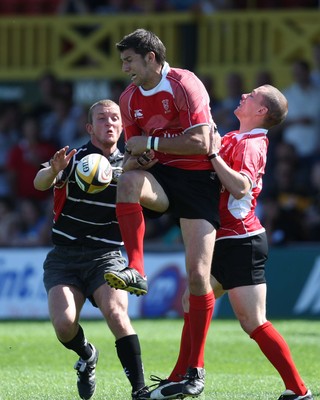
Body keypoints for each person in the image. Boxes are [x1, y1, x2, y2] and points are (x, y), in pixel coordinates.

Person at [143, 84, 313, 400]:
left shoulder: (252, 143)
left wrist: (211, 154)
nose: (245, 94)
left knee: (252, 321)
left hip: (241, 242)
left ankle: (299, 390)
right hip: (222, 237)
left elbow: (240, 188)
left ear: (262, 111)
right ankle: (182, 377)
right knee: (190, 301)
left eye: (253, 95)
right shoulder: (235, 137)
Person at [103, 28, 221, 398]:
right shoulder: (128, 98)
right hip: (162, 179)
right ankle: (136, 268)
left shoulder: (184, 84)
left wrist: (150, 144)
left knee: (199, 279)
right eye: (123, 61)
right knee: (128, 181)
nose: (125, 69)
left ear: (151, 58)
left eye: (129, 61)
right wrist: (140, 156)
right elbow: (134, 153)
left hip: (200, 182)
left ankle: (194, 371)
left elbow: (203, 141)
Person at [33, 99, 148, 400]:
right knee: (64, 325)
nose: (108, 123)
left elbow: (155, 200)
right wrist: (53, 171)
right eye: (101, 118)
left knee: (117, 314)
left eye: (114, 118)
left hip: (107, 256)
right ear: (89, 127)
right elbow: (39, 181)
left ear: (122, 126)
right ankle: (87, 356)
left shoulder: (131, 166)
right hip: (65, 258)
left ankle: (140, 390)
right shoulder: (72, 159)